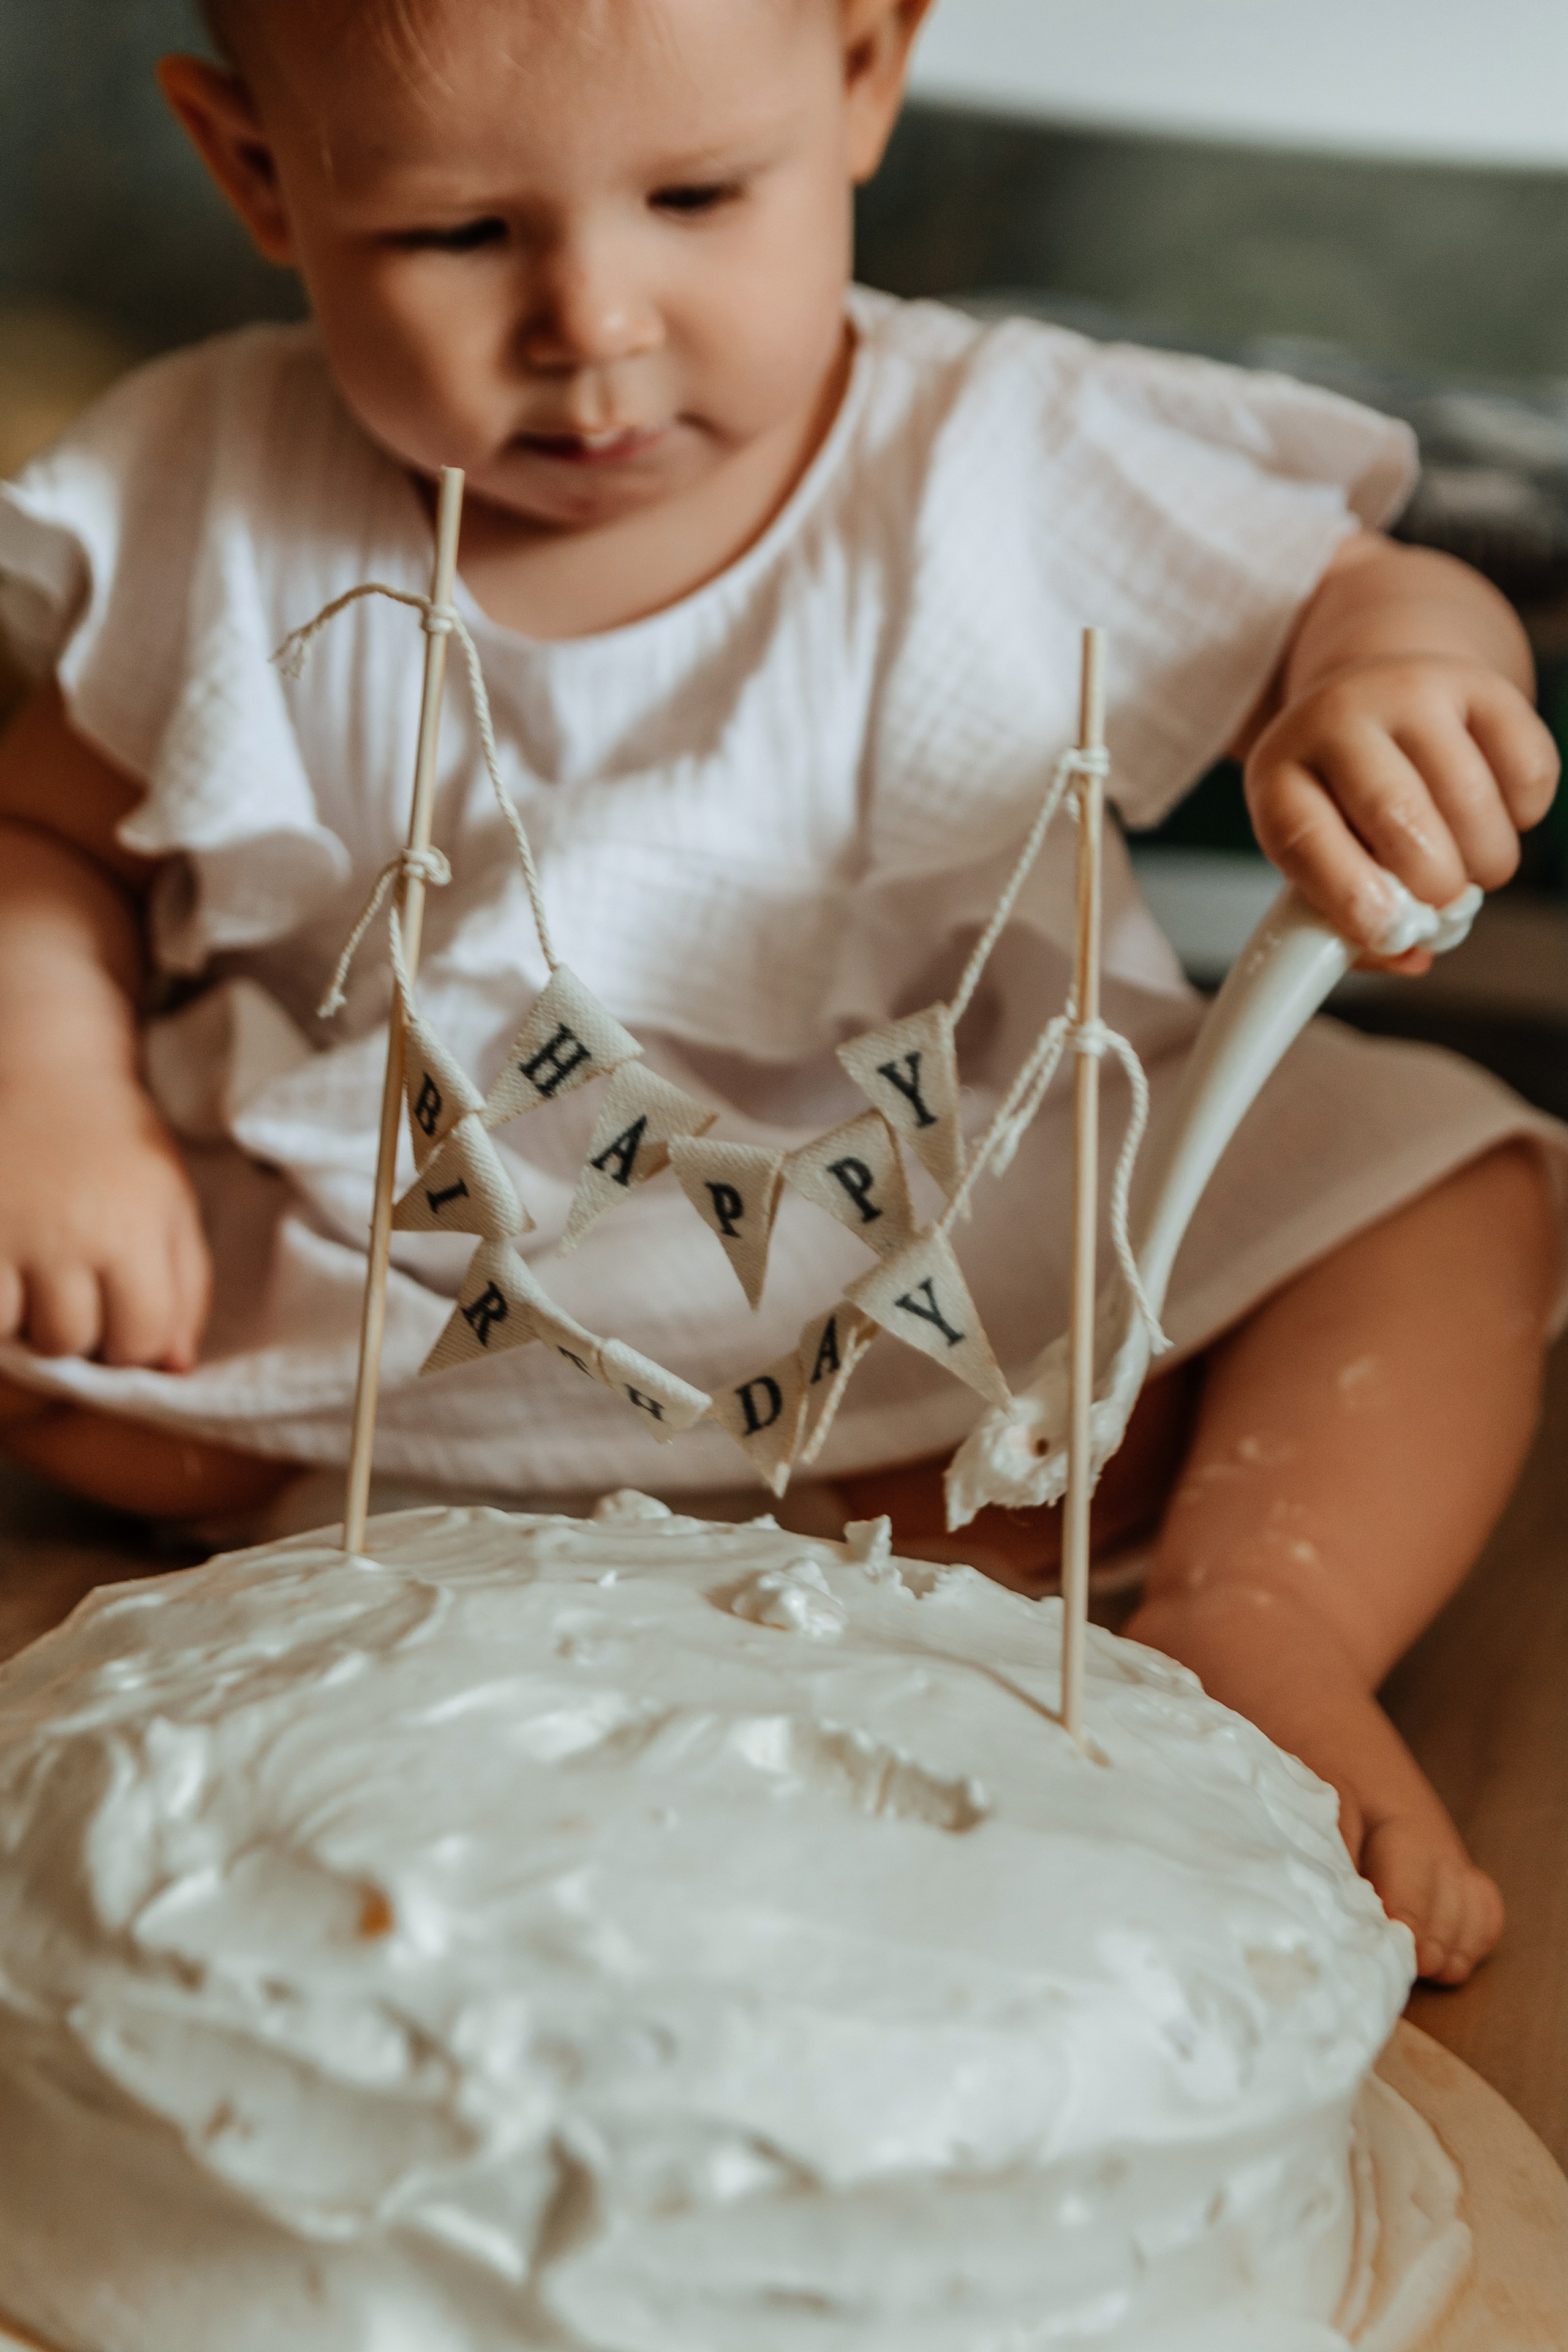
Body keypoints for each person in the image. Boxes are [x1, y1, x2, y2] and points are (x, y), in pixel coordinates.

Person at [0, 0, 1561, 1988]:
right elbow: (45, 836)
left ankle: (1261, 1622)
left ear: (864, 75)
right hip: (422, 1276)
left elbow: (1372, 582)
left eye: (695, 196)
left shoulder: (1004, 446)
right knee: (50, 1317)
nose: (593, 321)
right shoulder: (218, 482)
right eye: (459, 236)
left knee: (1446, 1184)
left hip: (944, 1219)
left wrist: (1397, 681)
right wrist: (54, 1098)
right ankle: (664, 1519)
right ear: (255, 174)